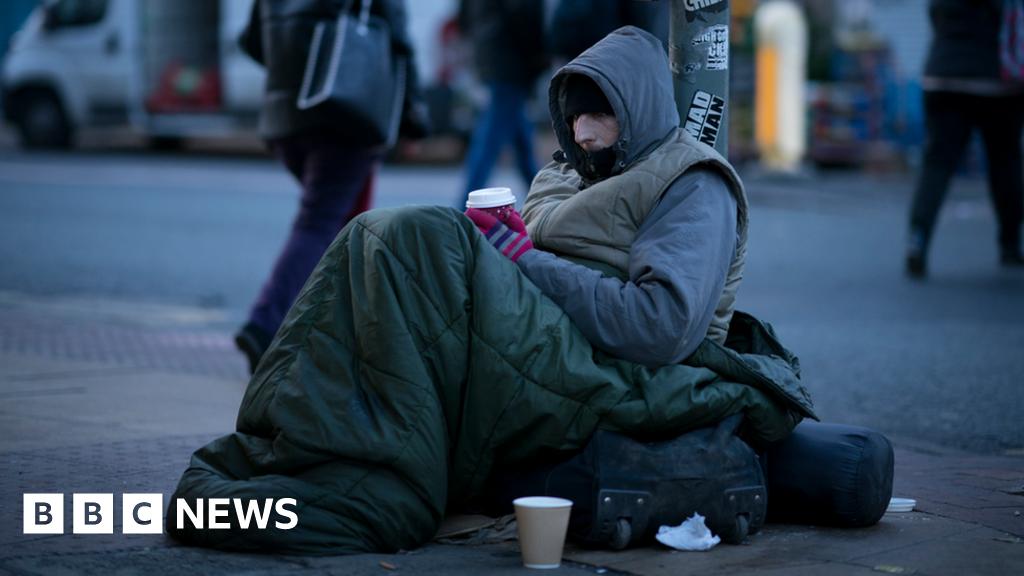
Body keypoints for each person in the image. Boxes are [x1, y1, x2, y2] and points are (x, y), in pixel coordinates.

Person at [167, 27, 813, 555]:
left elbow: (659, 326)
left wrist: (519, 260)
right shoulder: (570, 173)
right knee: (372, 243)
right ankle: (289, 443)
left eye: (600, 115)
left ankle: (382, 476)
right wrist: (503, 248)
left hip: (611, 365)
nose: (584, 131)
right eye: (576, 115)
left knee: (416, 241)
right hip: (539, 333)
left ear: (637, 109)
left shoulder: (693, 183)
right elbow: (522, 262)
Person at [234, 0, 430, 373]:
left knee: (344, 231)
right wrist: (414, 117)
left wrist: (292, 76)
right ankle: (264, 324)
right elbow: (400, 44)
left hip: (285, 120)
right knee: (323, 225)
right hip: (343, 112)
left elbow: (253, 41)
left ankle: (339, 342)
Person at [906, 0, 1024, 277]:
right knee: (1005, 161)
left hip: (943, 76)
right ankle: (1010, 245)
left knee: (937, 163)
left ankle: (917, 240)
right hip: (994, 81)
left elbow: (934, 15)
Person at [454, 0, 547, 208]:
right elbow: (524, 13)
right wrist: (539, 52)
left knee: (520, 139)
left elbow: (464, 18)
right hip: (511, 59)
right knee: (489, 140)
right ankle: (465, 207)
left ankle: (542, 196)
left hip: (492, 55)